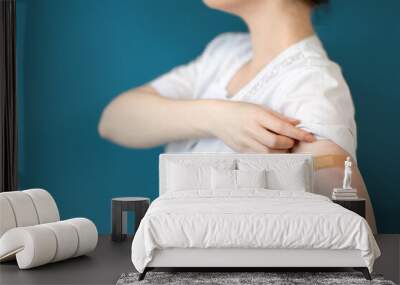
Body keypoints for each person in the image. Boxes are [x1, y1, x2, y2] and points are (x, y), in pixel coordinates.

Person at [98, 0, 377, 233]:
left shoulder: (312, 84)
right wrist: (217, 117)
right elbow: (114, 120)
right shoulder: (225, 53)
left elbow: (353, 228)